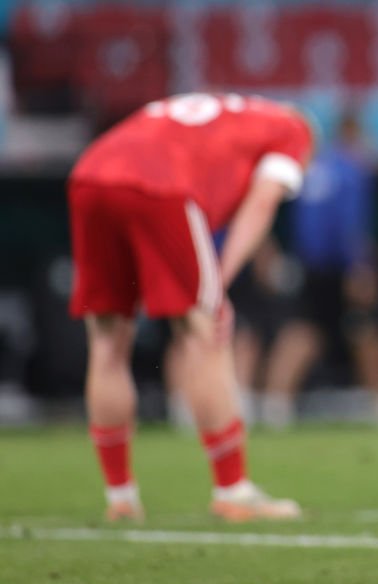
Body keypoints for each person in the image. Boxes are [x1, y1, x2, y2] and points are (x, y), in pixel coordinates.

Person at [69, 92, 315, 522]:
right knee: (207, 332)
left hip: (89, 176)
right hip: (159, 186)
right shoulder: (294, 129)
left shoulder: (224, 111)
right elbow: (262, 203)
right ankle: (233, 490)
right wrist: (221, 281)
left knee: (107, 341)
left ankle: (121, 497)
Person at [258, 111, 378, 427]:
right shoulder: (352, 168)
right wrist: (360, 267)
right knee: (366, 329)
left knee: (302, 330)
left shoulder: (311, 168)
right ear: (354, 134)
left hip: (310, 265)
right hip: (342, 266)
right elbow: (352, 223)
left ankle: (274, 405)